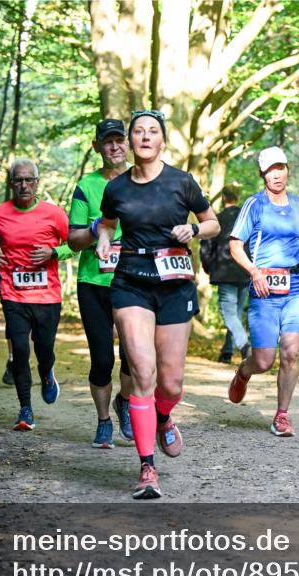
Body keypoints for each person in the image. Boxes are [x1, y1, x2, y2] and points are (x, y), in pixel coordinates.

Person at [94, 110, 219, 499]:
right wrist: (102, 238)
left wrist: (194, 230)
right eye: (138, 132)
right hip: (131, 282)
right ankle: (148, 467)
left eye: (152, 132)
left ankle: (164, 417)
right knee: (143, 374)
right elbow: (108, 223)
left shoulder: (181, 182)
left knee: (171, 382)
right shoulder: (117, 189)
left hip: (174, 284)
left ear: (162, 140)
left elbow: (212, 222)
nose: (145, 137)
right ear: (130, 142)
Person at [227, 146, 299, 437]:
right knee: (264, 361)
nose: (277, 174)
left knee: (291, 352)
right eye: (270, 169)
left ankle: (282, 415)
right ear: (262, 174)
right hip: (265, 288)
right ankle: (244, 372)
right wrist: (254, 272)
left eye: (280, 167)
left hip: (298, 287)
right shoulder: (253, 205)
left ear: (287, 169)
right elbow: (235, 245)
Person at [0, 159, 72, 431]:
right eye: (19, 180)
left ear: (37, 183)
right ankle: (25, 409)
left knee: (44, 350)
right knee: (19, 350)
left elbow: (75, 243)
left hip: (47, 296)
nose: (24, 185)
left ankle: (47, 372)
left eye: (29, 180)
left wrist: (54, 253)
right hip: (13, 294)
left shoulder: (54, 214)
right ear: (11, 184)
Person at [67, 119, 134, 449]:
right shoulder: (86, 186)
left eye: (119, 140)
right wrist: (97, 228)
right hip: (94, 281)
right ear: (97, 147)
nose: (115, 147)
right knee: (103, 359)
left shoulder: (143, 181)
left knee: (134, 356)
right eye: (107, 142)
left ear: (129, 143)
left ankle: (125, 402)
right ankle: (104, 420)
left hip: (135, 280)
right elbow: (73, 240)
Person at [200, 186, 251, 364]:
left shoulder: (217, 219)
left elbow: (206, 246)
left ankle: (245, 347)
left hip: (225, 272)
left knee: (229, 313)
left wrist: (208, 266)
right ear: (238, 197)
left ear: (223, 198)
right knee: (235, 313)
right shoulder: (247, 219)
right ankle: (227, 352)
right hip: (245, 271)